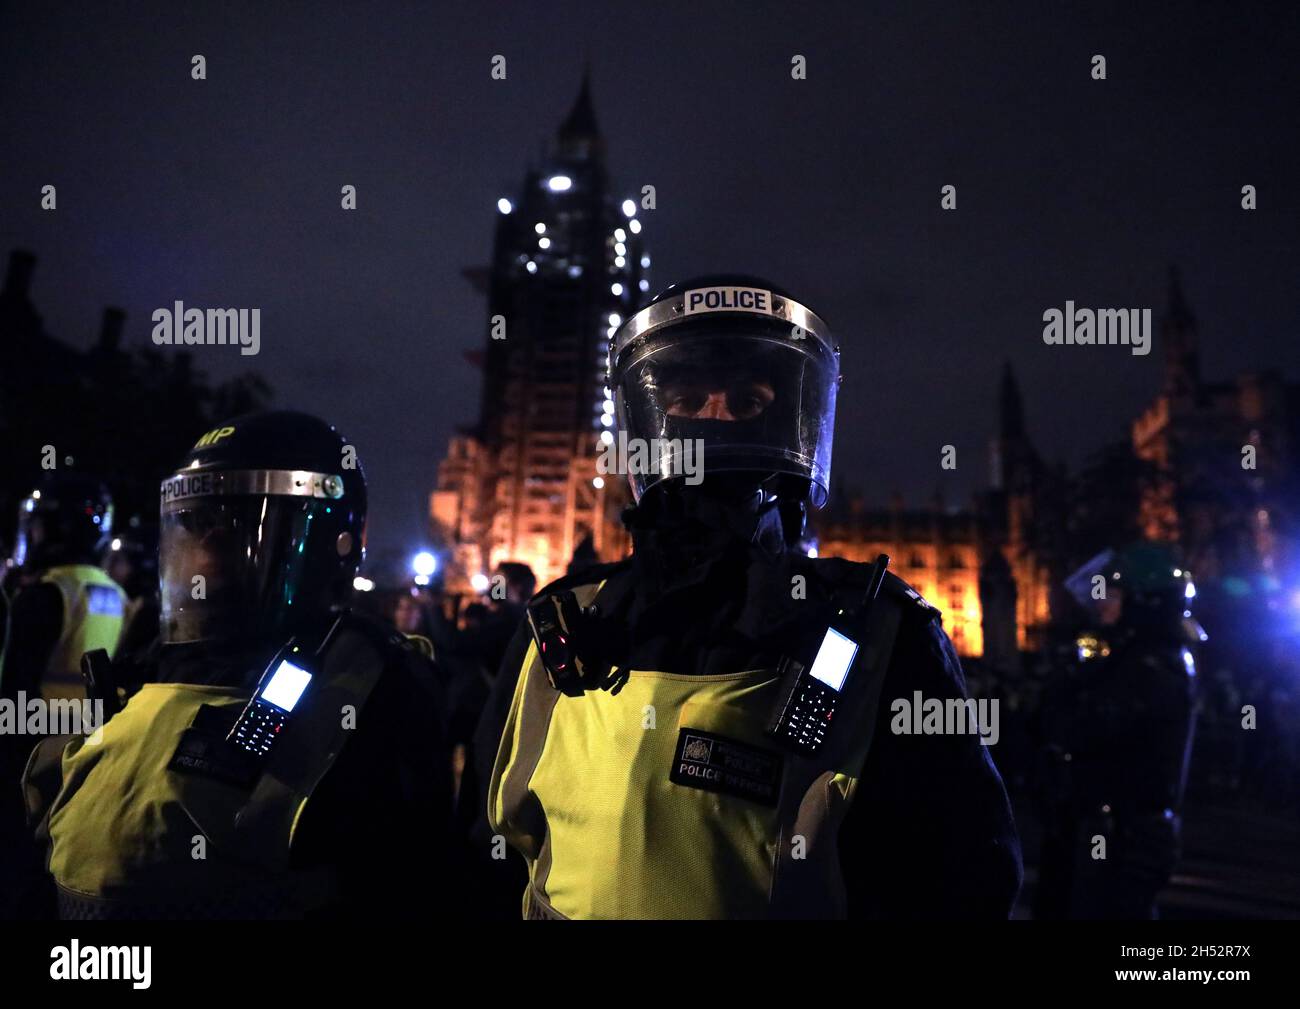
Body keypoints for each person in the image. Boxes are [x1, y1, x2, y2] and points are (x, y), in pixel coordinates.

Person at [462, 275, 1022, 919]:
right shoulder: (562, 626)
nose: (715, 423)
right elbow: (482, 854)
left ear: (796, 425)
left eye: (749, 402)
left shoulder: (878, 635)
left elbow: (962, 881)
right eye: (688, 399)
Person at [21, 411, 454, 919]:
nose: (206, 548)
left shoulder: (372, 683)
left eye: (233, 526)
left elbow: (412, 884)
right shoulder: (147, 669)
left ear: (331, 543)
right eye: (198, 525)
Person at [1035, 542, 1203, 919]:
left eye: (1114, 594)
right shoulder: (1137, 657)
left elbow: (1085, 728)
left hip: (1124, 835)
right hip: (1109, 829)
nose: (1101, 603)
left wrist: (1067, 686)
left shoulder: (1153, 666)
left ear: (1145, 602)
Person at [0, 473, 125, 703]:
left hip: (40, 731)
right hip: (96, 731)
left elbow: (13, 686)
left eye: (36, 525)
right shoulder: (119, 595)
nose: (32, 535)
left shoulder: (46, 593)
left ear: (60, 528)